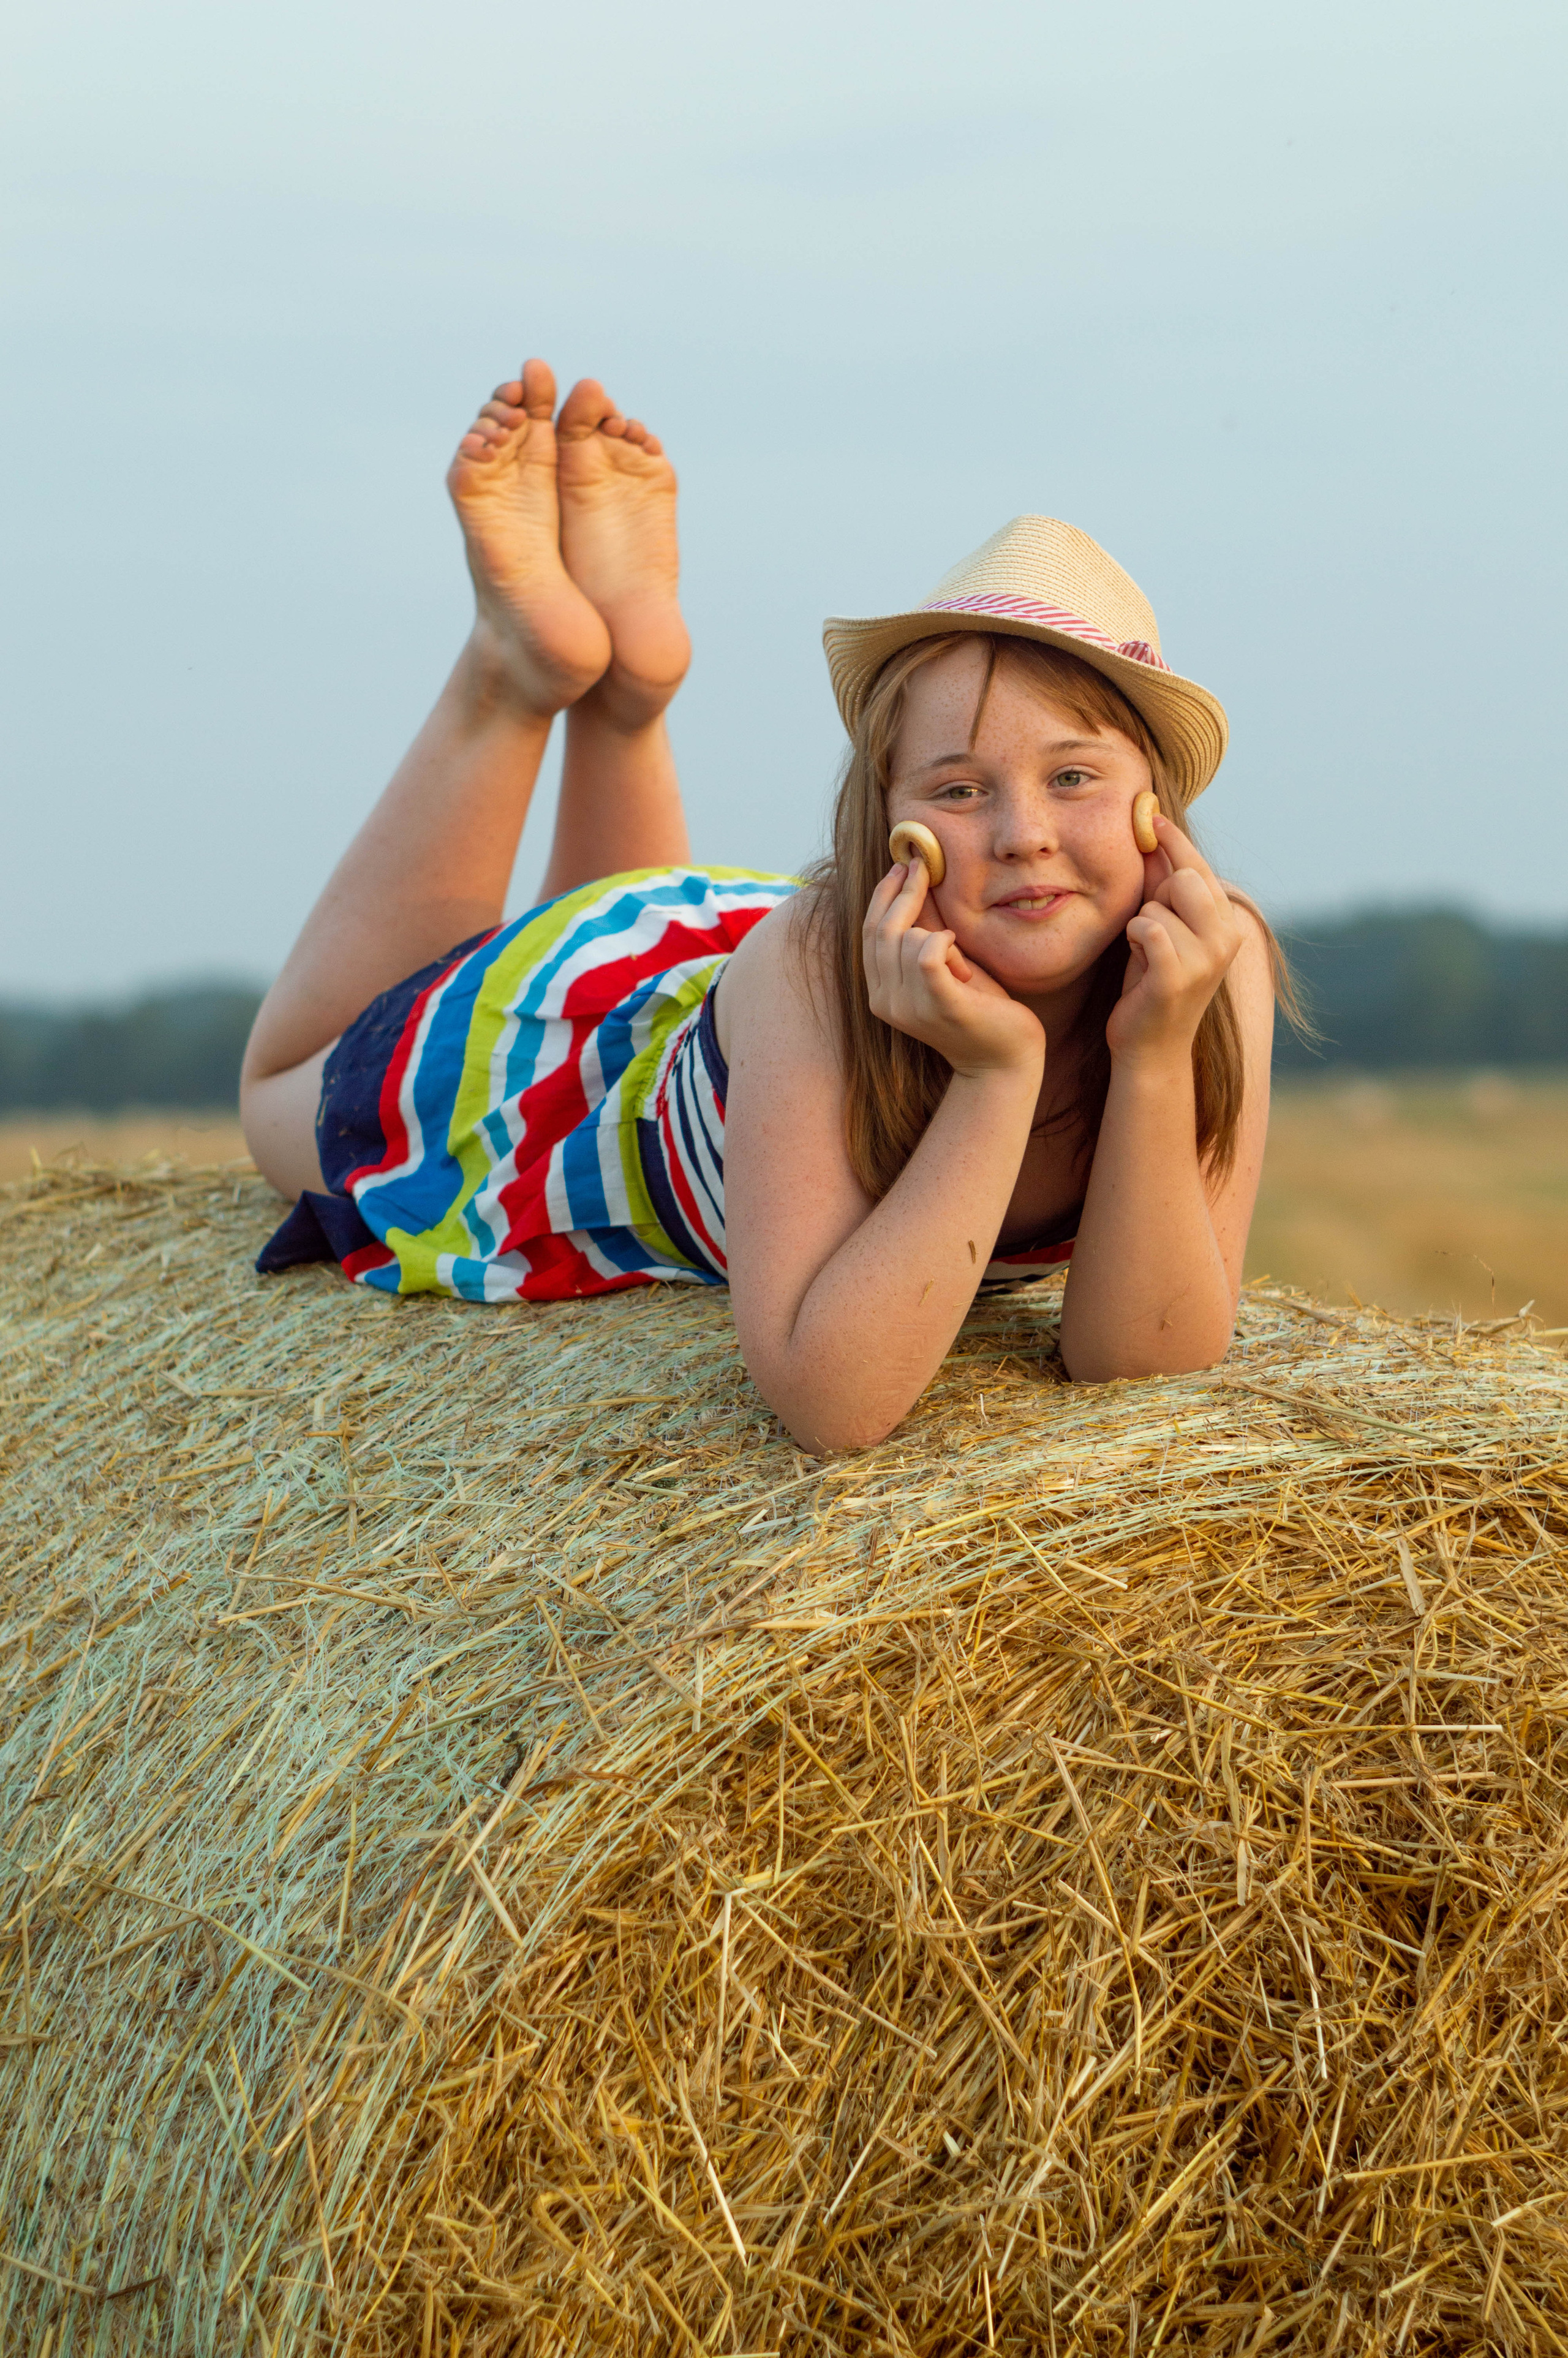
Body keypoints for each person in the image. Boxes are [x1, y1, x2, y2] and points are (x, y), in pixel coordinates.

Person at [244, 360, 1287, 1452]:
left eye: (1073, 777)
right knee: (277, 1096)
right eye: (961, 788)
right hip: (570, 1072)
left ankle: (630, 700)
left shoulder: (1214, 960)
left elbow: (1142, 1360)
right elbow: (831, 1405)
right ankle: (510, 674)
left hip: (713, 985)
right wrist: (996, 1073)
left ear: (1155, 802)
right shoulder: (817, 968)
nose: (1023, 831)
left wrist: (1158, 1052)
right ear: (888, 817)